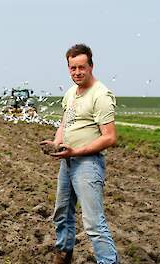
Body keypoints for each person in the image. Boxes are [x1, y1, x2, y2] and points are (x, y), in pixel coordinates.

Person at [41, 44, 119, 264]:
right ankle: (63, 255)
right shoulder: (71, 93)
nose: (77, 72)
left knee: (93, 223)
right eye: (72, 68)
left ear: (91, 66)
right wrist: (56, 143)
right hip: (68, 162)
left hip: (87, 164)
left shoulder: (101, 95)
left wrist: (76, 151)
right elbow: (65, 123)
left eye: (82, 67)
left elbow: (110, 137)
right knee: (62, 214)